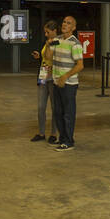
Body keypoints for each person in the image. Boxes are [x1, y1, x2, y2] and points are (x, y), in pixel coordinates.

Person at [41, 20, 82, 149]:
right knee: (58, 112)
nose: (64, 24)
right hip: (56, 82)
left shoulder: (75, 43)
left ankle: (69, 141)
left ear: (73, 27)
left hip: (69, 84)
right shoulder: (57, 39)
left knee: (68, 113)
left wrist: (65, 76)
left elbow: (80, 65)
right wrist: (48, 45)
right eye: (64, 22)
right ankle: (62, 138)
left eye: (69, 23)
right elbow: (48, 57)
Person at [30, 16, 59, 143]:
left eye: (48, 32)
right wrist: (39, 56)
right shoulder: (46, 42)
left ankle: (54, 133)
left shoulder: (58, 43)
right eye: (45, 32)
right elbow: (45, 58)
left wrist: (48, 46)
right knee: (41, 106)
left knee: (54, 107)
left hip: (53, 78)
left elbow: (52, 57)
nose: (46, 34)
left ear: (55, 31)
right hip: (43, 76)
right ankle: (41, 133)